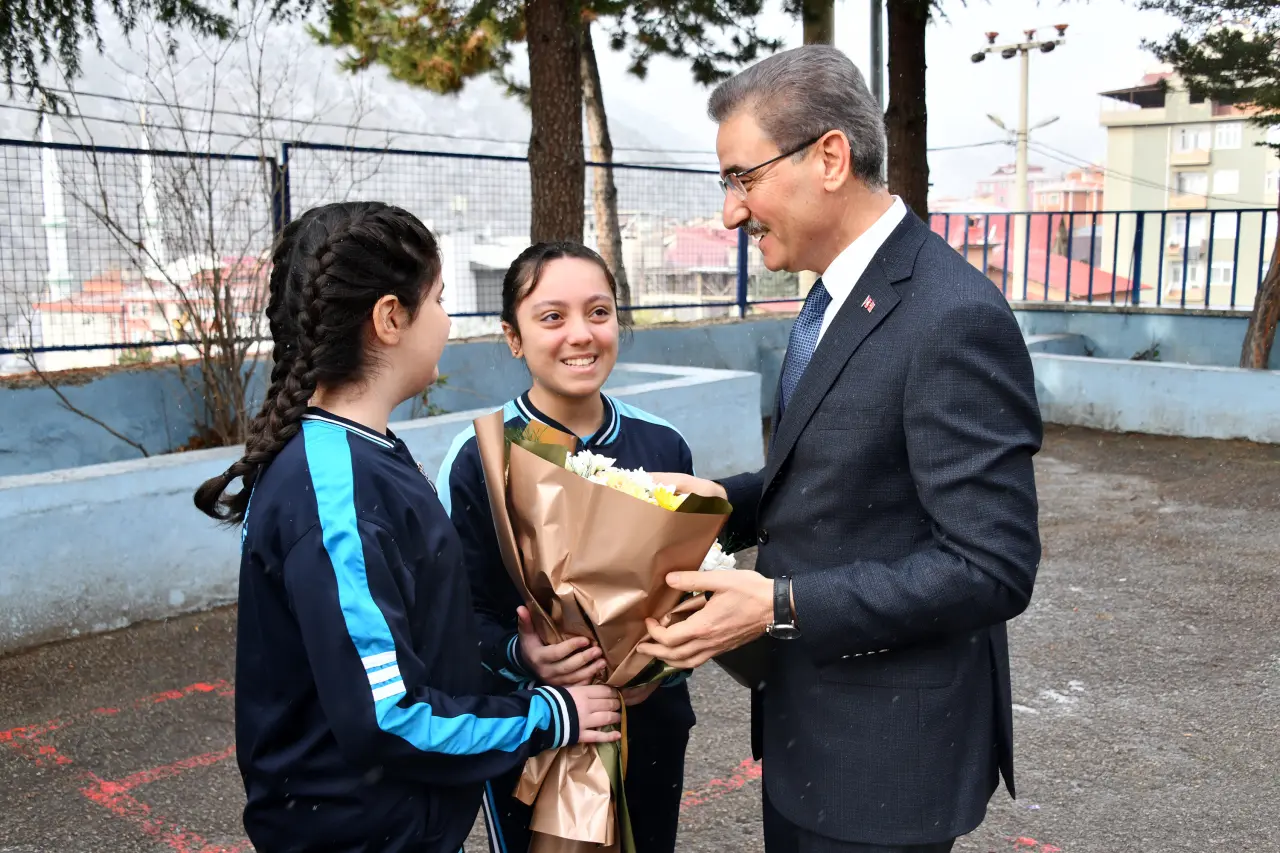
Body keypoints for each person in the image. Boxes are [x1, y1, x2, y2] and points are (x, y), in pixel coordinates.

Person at [636, 46, 1044, 853]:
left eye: (742, 178)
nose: (731, 212)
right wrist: (703, 506)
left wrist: (778, 604)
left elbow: (992, 564)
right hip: (808, 736)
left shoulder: (952, 316)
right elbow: (834, 472)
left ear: (829, 157)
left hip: (885, 767)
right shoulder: (834, 292)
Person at [193, 203, 620, 853]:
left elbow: (411, 628)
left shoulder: (362, 452)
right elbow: (387, 717)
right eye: (439, 299)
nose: (447, 321)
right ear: (391, 318)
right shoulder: (336, 492)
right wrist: (548, 715)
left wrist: (513, 657)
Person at [437, 241, 696, 853]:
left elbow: (689, 585)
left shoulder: (664, 445)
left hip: (650, 724)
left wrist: (664, 660)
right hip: (532, 730)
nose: (581, 334)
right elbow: (455, 616)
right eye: (552, 317)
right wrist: (522, 655)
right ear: (513, 337)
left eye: (599, 312)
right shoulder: (481, 458)